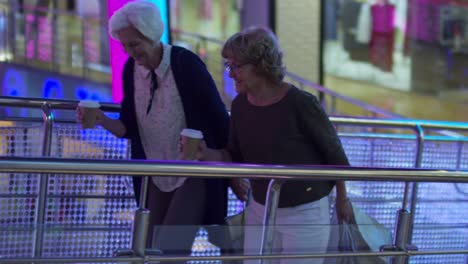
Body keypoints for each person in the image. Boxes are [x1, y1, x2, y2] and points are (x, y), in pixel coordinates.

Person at [76, 0, 230, 260]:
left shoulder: (185, 64)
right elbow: (127, 128)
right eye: (124, 45)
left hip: (192, 171)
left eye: (134, 44)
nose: (129, 52)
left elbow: (218, 118)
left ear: (150, 35)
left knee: (171, 249)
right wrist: (100, 119)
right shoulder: (130, 70)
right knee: (148, 248)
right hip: (156, 171)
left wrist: (231, 168)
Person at [188, 27, 353, 264]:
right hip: (260, 208)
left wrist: (342, 199)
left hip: (305, 213)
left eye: (237, 66)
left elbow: (335, 156)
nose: (231, 74)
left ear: (260, 64)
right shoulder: (240, 106)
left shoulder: (301, 104)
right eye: (229, 66)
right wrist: (205, 153)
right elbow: (234, 155)